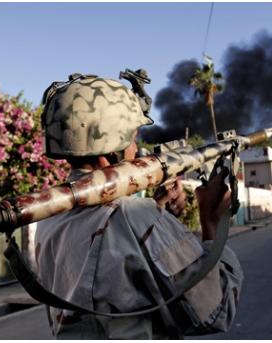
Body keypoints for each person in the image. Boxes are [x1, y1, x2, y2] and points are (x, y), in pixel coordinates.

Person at [34, 73, 243, 339]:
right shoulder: (136, 217)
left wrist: (158, 212)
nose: (136, 148)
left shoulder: (49, 217)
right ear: (110, 148)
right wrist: (211, 222)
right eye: (133, 138)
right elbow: (217, 310)